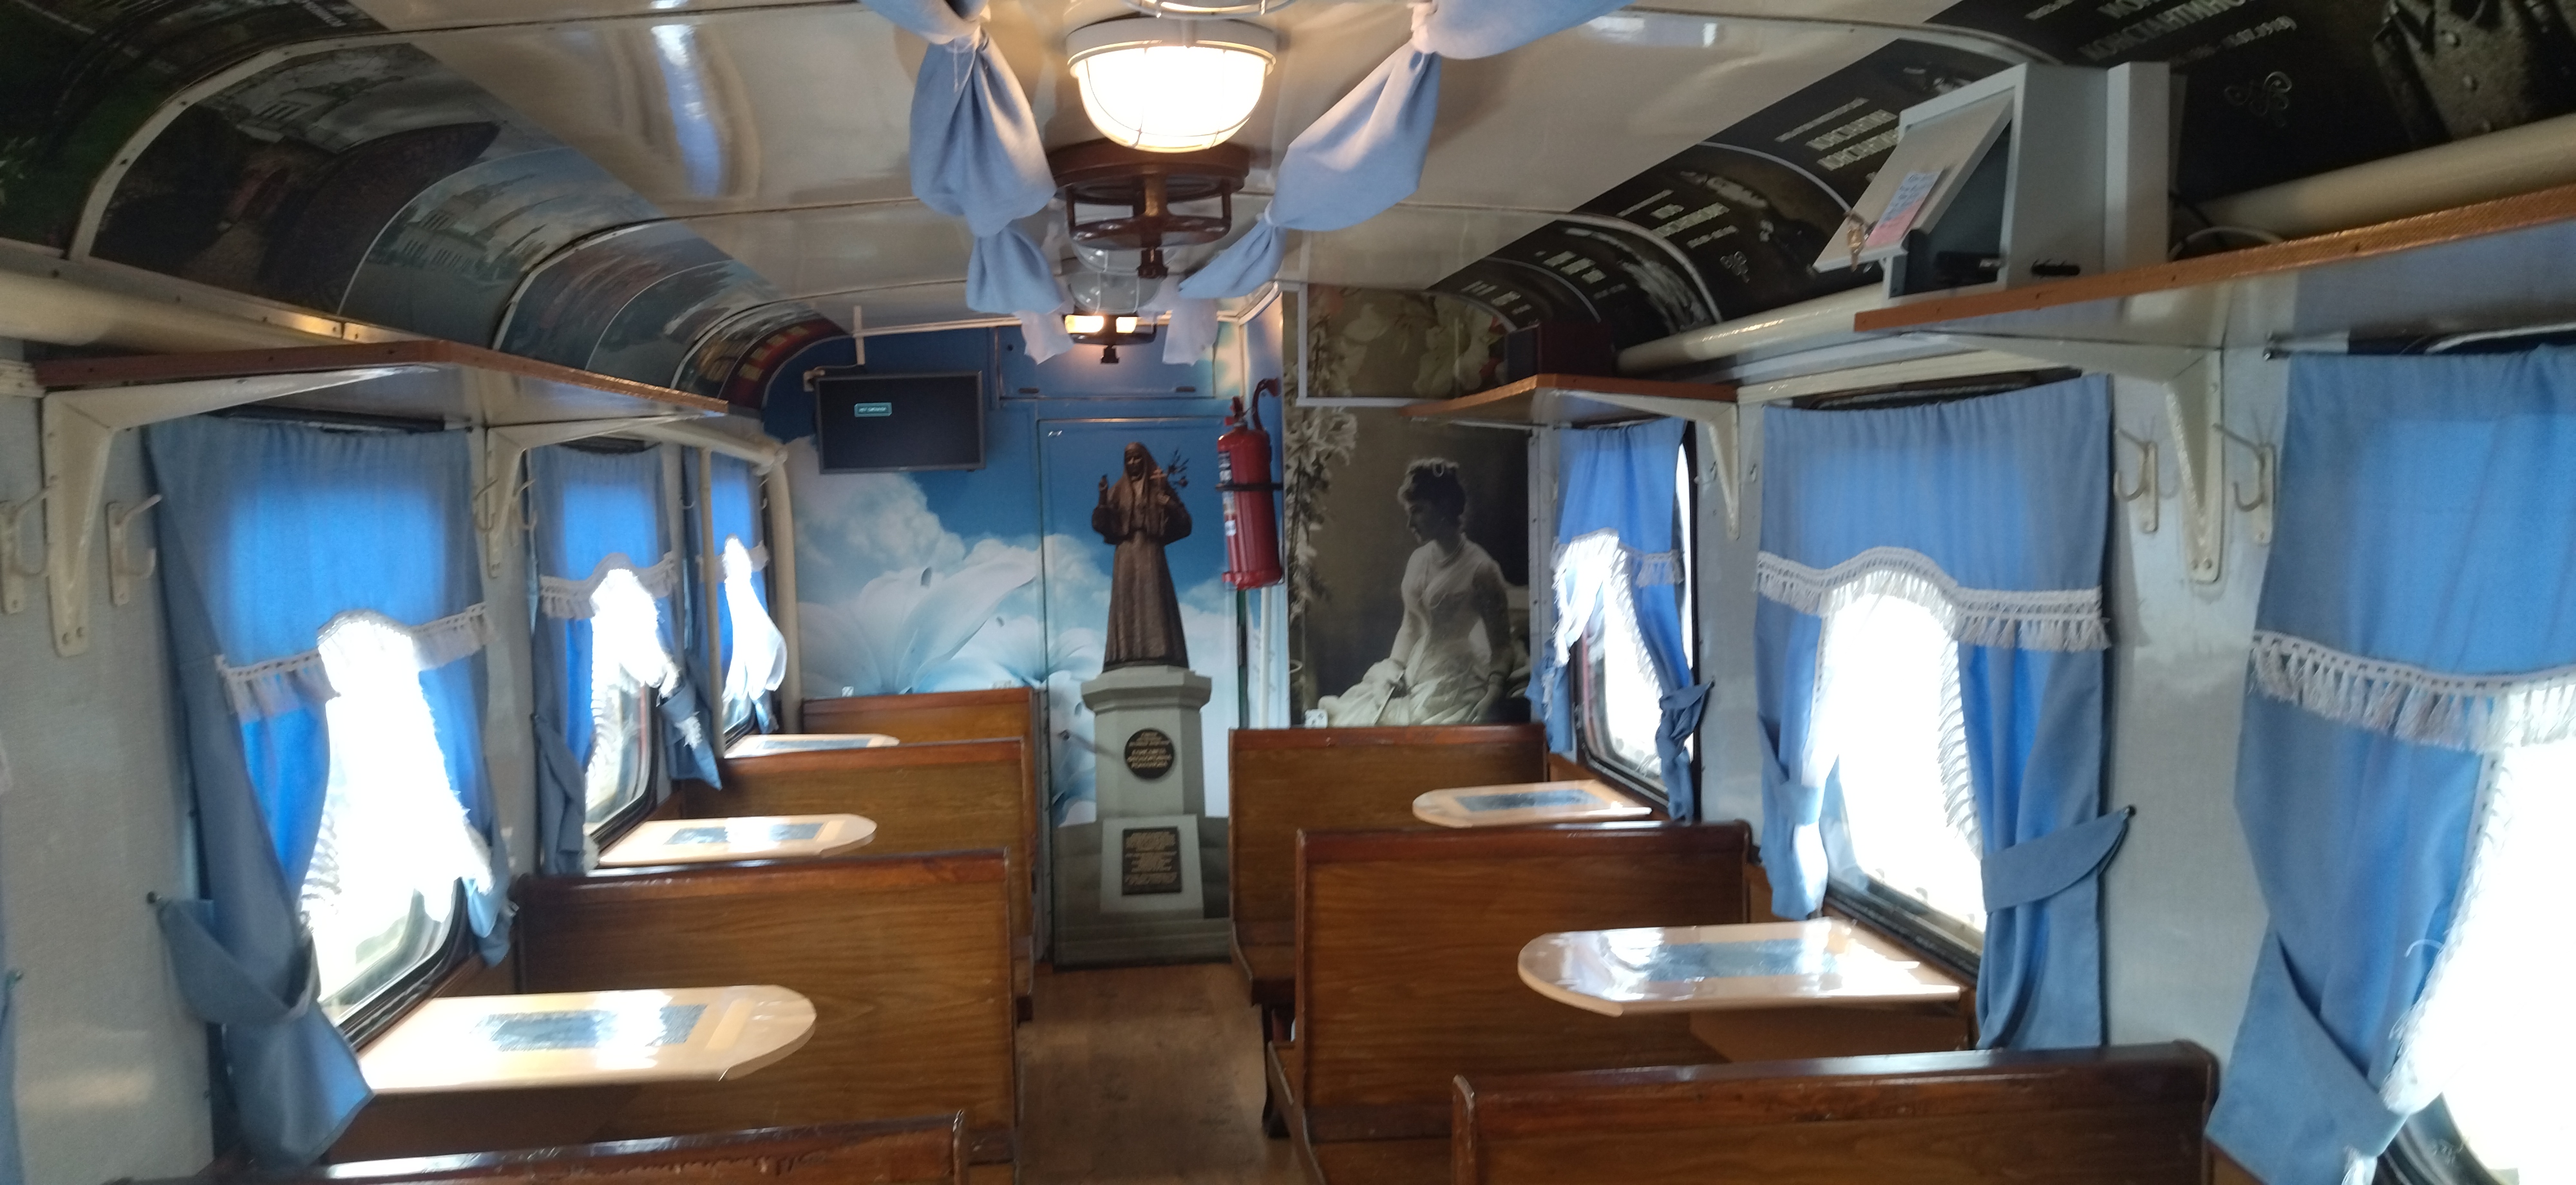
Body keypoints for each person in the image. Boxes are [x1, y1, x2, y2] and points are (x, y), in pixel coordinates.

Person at [1320, 459, 1519, 725]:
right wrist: (1394, 667)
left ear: (1444, 507)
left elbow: (1502, 647)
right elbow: (1410, 626)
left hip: (1453, 682)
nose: (1410, 523)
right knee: (1353, 714)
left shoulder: (1481, 569)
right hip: (1415, 669)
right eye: (1409, 512)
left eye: (1418, 511)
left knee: (1398, 726)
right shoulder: (1418, 559)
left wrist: (1492, 694)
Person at [1094, 442, 1192, 669]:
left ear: (1145, 460)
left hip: (1150, 551)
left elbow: (1185, 523)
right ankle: (1125, 654)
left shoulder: (1159, 486)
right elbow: (1101, 524)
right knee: (1126, 600)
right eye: (1128, 459)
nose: (1133, 463)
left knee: (1153, 597)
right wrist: (1102, 497)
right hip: (1126, 553)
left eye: (1137, 458)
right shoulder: (1117, 491)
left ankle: (1160, 650)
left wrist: (1169, 505)